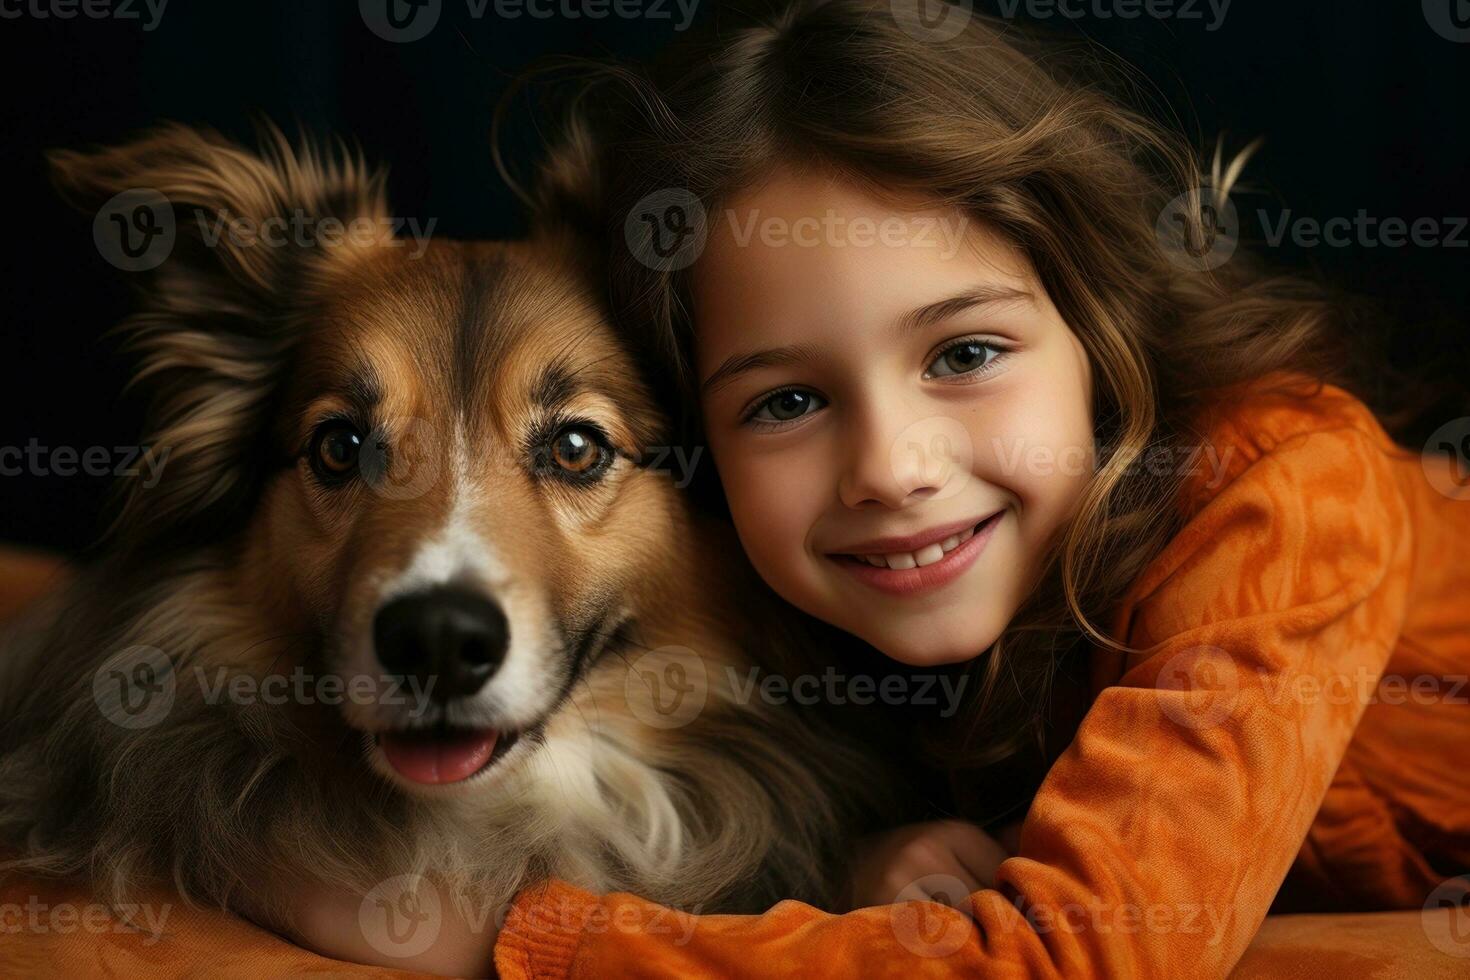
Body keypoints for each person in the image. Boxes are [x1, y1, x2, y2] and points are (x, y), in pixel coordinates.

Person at [486, 0, 1470, 975]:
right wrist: (864, 853)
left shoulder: (1282, 490)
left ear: (1097, 325)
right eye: (786, 401)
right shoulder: (776, 601)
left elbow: (1080, 957)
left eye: (964, 352)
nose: (890, 466)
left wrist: (520, 939)